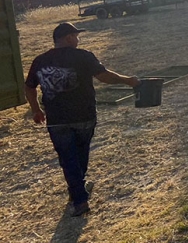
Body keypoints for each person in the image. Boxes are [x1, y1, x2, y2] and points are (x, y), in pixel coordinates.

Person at [24, 22, 140, 217]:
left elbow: (29, 87)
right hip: (83, 116)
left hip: (56, 120)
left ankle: (78, 191)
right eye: (76, 36)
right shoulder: (83, 56)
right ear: (69, 38)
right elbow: (104, 77)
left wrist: (36, 110)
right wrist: (129, 81)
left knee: (68, 159)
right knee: (80, 153)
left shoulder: (39, 61)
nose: (78, 40)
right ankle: (80, 199)